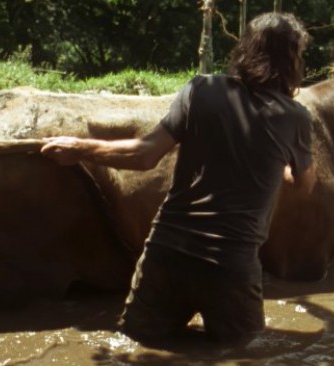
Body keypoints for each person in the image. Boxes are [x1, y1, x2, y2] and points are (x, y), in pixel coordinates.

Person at [40, 12, 315, 344]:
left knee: (134, 347)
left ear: (246, 49)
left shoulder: (202, 89)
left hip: (166, 255)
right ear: (290, 60)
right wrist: (280, 164)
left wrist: (80, 148)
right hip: (231, 267)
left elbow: (143, 155)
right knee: (245, 353)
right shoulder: (295, 118)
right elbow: (304, 185)